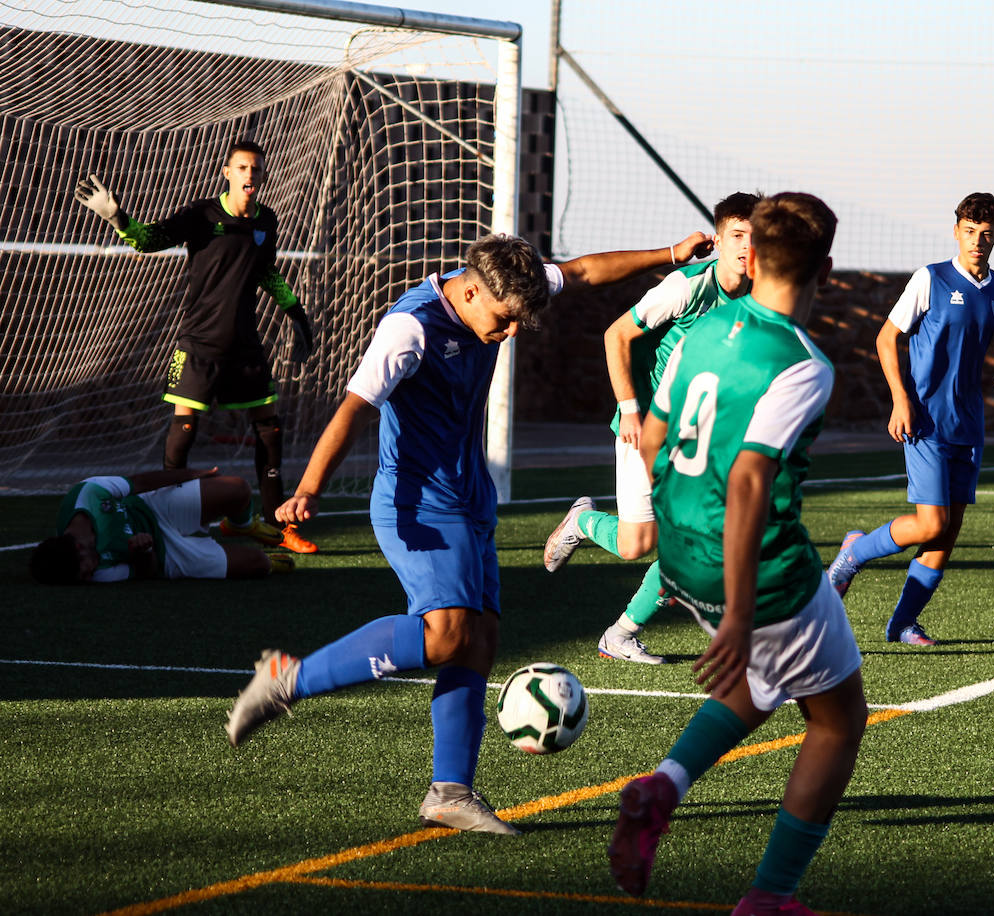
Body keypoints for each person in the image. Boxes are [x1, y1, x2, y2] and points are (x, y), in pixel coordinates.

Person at [222, 230, 712, 835]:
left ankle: (450, 792)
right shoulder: (411, 328)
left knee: (479, 640)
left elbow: (583, 272)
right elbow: (356, 406)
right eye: (505, 321)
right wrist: (310, 488)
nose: (510, 333)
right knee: (446, 633)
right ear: (473, 292)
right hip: (417, 501)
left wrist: (667, 256)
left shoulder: (505, 283)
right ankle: (288, 680)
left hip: (471, 495)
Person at [607, 192, 866, 916]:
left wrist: (679, 533)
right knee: (839, 720)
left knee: (761, 680)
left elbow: (654, 440)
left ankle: (662, 789)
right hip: (757, 573)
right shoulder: (804, 363)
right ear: (826, 270)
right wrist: (741, 611)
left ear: (752, 259)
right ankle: (770, 898)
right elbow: (751, 479)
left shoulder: (702, 330)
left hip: (682, 556)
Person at [542, 192, 761, 665]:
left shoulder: (761, 297)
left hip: (701, 436)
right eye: (738, 235)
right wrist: (630, 409)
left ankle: (621, 634)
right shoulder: (687, 287)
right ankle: (582, 521)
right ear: (718, 240)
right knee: (635, 545)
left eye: (756, 237)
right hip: (648, 425)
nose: (747, 246)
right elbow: (616, 334)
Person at [74, 139, 318, 555]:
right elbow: (150, 240)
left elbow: (266, 271)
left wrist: (296, 312)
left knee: (270, 430)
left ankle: (277, 524)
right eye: (242, 168)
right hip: (199, 343)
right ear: (228, 173)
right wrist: (118, 218)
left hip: (246, 346)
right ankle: (170, 520)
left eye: (256, 168)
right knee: (184, 429)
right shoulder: (202, 215)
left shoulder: (267, 220)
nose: (250, 175)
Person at [825, 193, 994, 646]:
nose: (977, 241)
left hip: (969, 424)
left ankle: (903, 623)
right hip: (925, 419)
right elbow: (886, 338)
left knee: (946, 533)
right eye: (969, 231)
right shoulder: (930, 278)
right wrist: (900, 399)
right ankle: (854, 553)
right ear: (956, 231)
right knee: (931, 523)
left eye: (986, 234)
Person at [29, 468, 292, 584]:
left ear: (78, 547)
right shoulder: (100, 573)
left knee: (237, 488)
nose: (90, 577)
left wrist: (193, 474)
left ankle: (241, 525)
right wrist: (143, 552)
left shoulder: (86, 493)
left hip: (155, 507)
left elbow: (140, 482)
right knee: (258, 564)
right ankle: (265, 559)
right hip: (169, 556)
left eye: (85, 572)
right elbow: (149, 570)